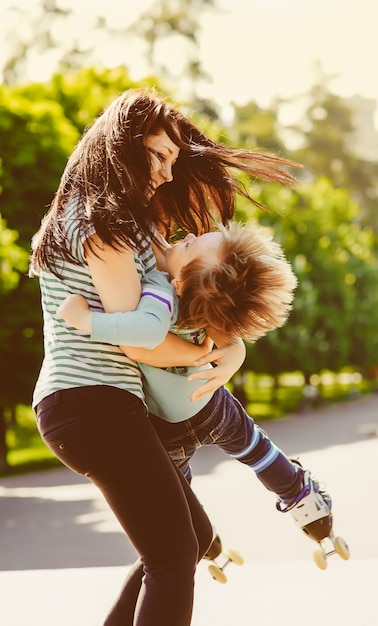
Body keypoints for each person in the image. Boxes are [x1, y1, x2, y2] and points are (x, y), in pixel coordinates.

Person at [29, 87, 299, 626]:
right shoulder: (101, 226)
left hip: (104, 406)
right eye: (157, 155)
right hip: (90, 405)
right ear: (123, 149)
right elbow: (137, 339)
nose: (168, 173)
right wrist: (211, 353)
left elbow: (182, 306)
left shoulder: (127, 223)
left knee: (187, 543)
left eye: (174, 160)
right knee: (173, 558)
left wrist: (233, 345)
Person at [58, 219, 333, 548]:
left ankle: (203, 538)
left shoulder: (160, 291)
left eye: (190, 245)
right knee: (254, 447)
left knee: (177, 483)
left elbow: (143, 333)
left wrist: (88, 321)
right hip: (209, 406)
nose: (187, 236)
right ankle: (301, 498)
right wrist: (233, 355)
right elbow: (230, 341)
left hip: (166, 420)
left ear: (179, 283)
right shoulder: (207, 308)